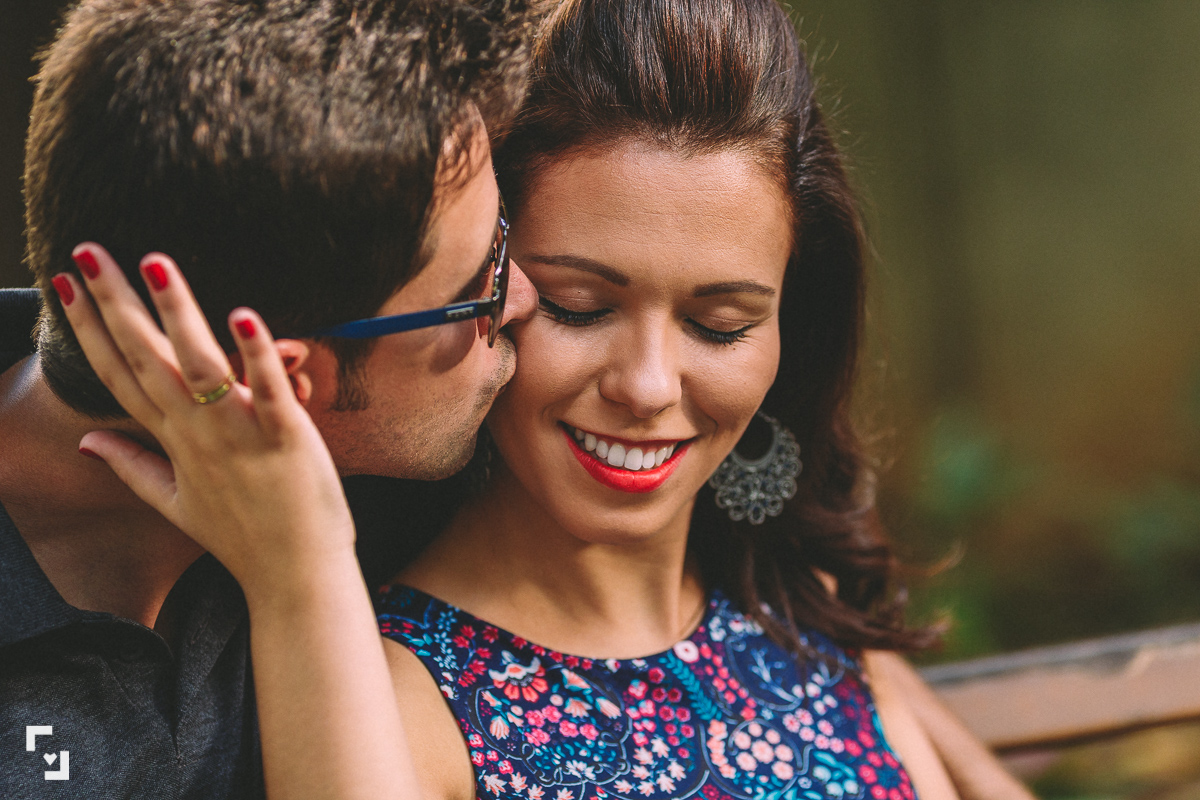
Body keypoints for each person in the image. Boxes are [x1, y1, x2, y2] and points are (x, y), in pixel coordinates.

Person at [60, 0, 1036, 798]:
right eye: (577, 305)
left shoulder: (801, 618)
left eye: (722, 324)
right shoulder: (389, 695)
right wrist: (299, 565)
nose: (649, 384)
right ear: (486, 290)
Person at [0, 0, 537, 797]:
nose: (523, 299)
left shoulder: (453, 492)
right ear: (279, 384)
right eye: (480, 284)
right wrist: (304, 575)